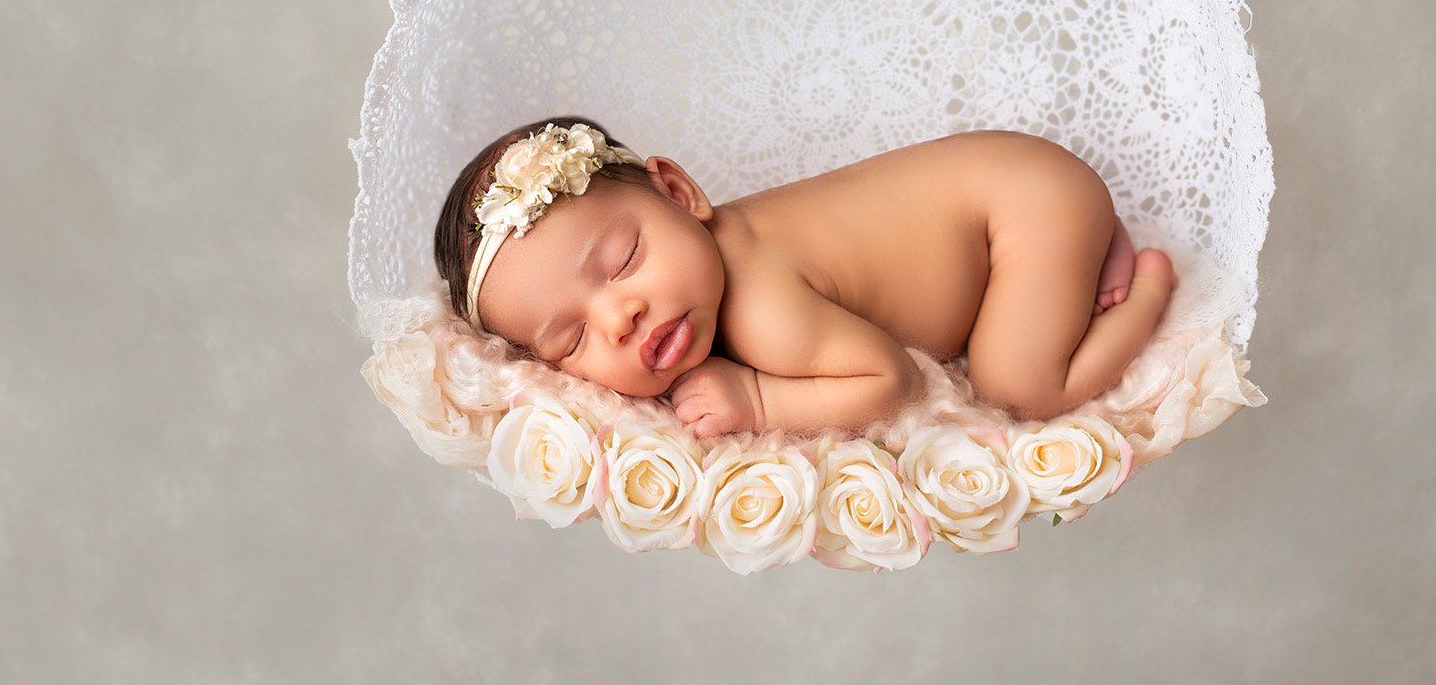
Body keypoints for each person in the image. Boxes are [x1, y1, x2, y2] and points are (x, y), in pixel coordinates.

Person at [433, 120, 1176, 438]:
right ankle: (1085, 247)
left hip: (1022, 205)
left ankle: (1140, 291)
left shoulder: (761, 307)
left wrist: (758, 399)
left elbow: (892, 380)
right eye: (571, 336)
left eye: (623, 260)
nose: (620, 316)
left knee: (1014, 383)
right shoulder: (702, 263)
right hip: (1013, 185)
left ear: (679, 192)